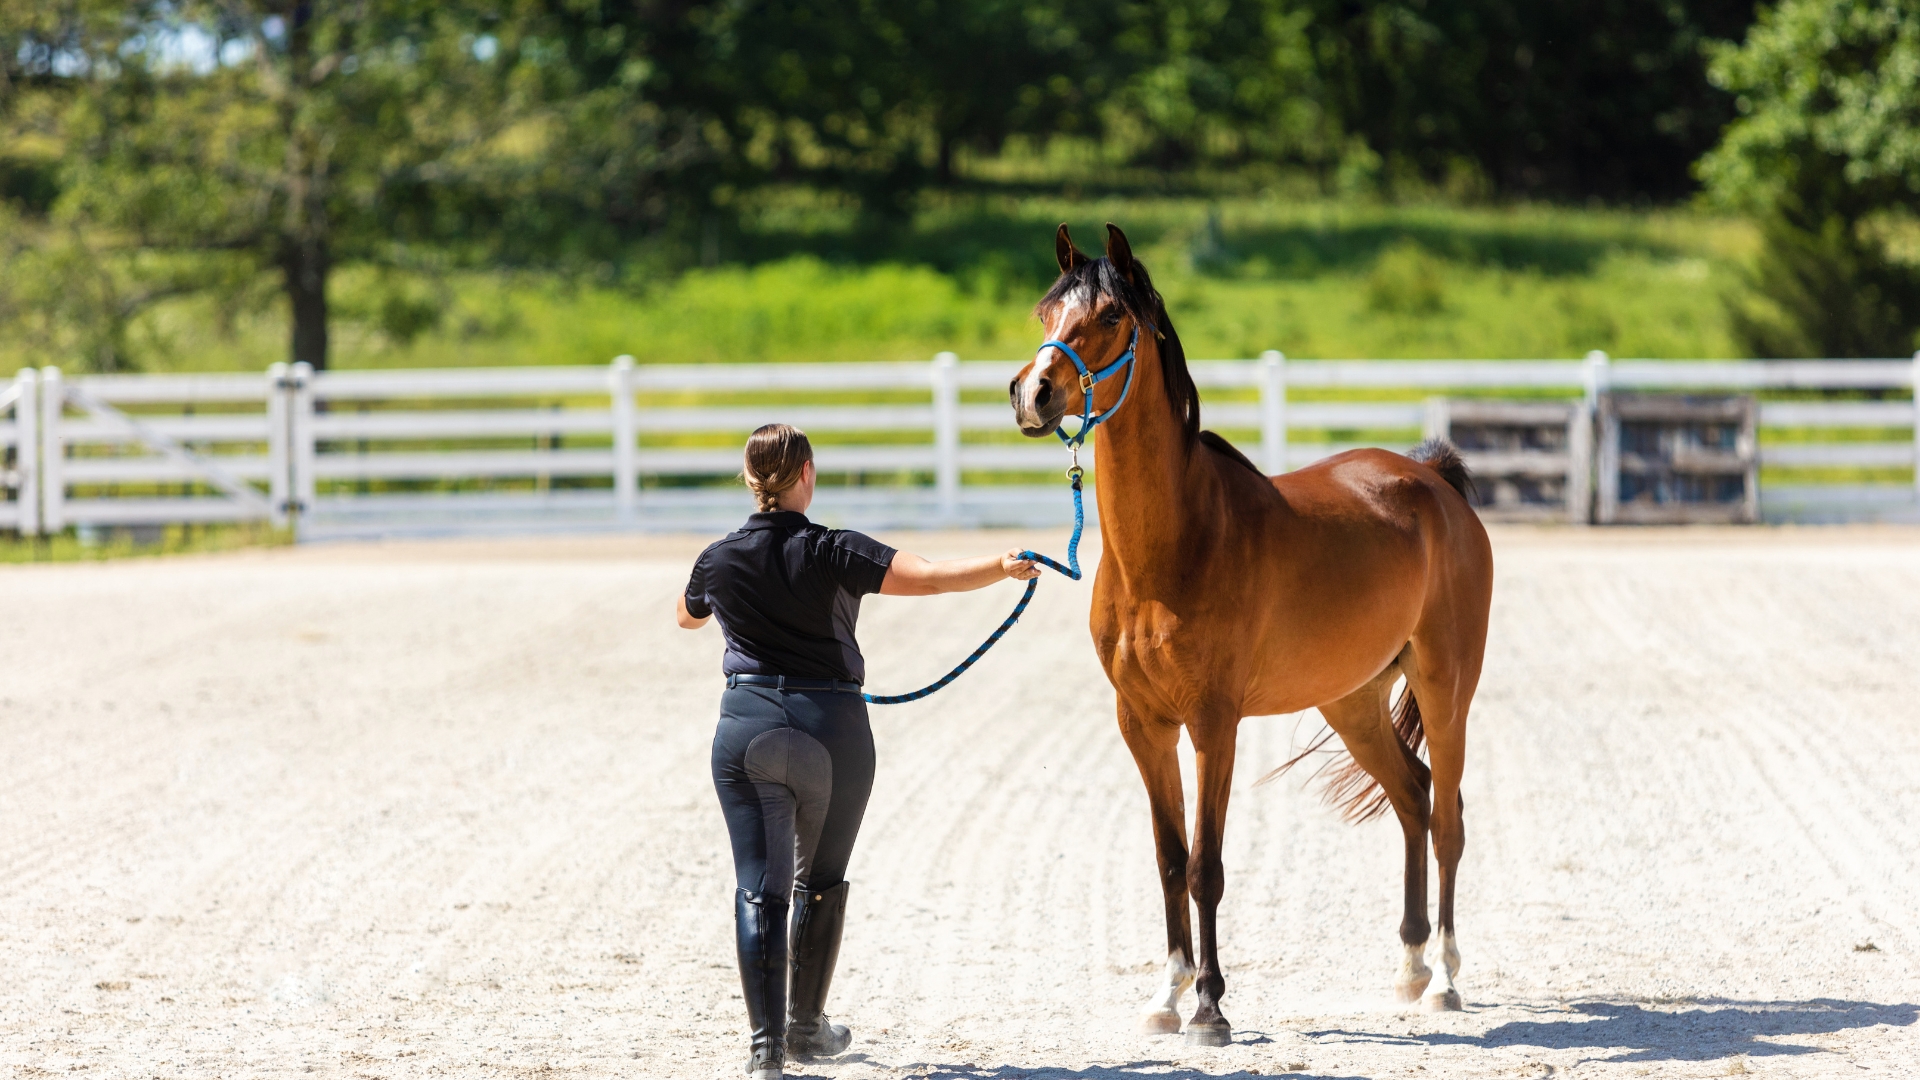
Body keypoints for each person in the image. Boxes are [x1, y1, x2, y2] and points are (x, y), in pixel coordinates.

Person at [676, 423, 1040, 1080]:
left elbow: (687, 614)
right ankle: (807, 1027)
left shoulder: (717, 557)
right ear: (807, 475)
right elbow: (927, 579)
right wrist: (1000, 565)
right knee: (818, 882)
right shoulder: (835, 549)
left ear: (749, 478)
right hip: (832, 730)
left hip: (748, 724)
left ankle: (767, 1050)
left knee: (758, 887)